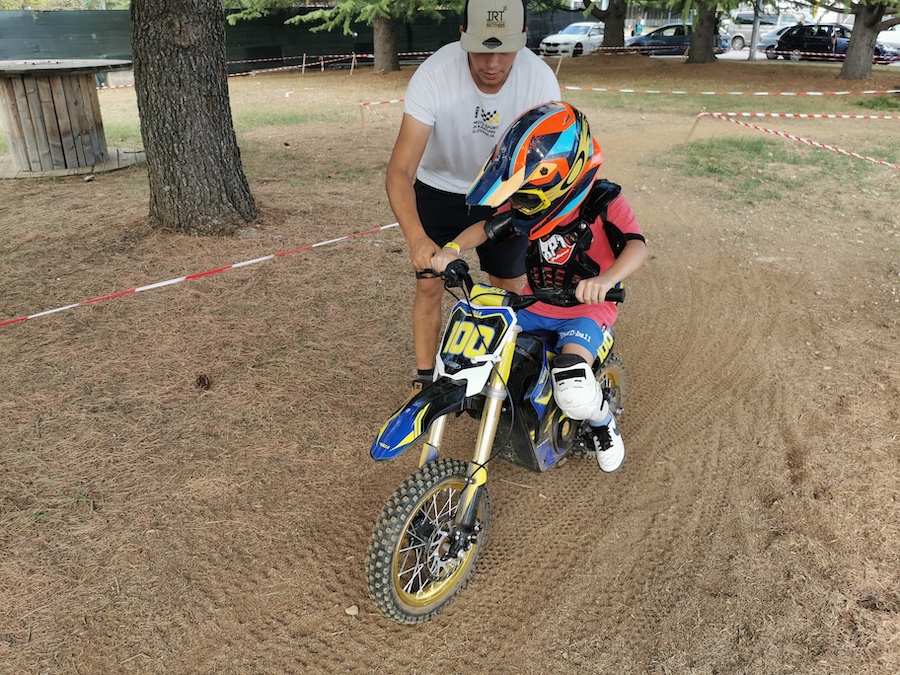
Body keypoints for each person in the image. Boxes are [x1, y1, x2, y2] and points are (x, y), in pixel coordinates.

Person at [429, 102, 648, 473]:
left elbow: (636, 246)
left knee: (573, 386)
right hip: (534, 303)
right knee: (479, 346)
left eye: (528, 195)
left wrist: (606, 280)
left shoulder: (603, 201)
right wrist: (451, 248)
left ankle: (602, 422)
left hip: (586, 309)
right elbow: (488, 227)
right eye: (520, 194)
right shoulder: (531, 206)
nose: (522, 204)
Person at [385, 0, 560, 394]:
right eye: (482, 49)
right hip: (439, 188)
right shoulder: (434, 74)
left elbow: (543, 163)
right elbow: (400, 170)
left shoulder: (540, 81)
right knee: (430, 282)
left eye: (505, 50)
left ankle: (500, 381)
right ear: (462, 35)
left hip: (505, 191)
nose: (492, 63)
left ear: (524, 38)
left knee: (506, 285)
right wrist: (416, 238)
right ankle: (426, 382)